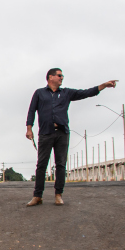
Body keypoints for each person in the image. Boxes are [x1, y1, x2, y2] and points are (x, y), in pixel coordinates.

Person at [26, 69, 118, 206]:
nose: (62, 77)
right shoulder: (39, 93)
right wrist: (29, 129)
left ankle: (58, 195)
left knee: (61, 165)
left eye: (62, 75)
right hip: (46, 133)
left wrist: (103, 85)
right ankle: (37, 196)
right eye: (59, 75)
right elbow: (32, 110)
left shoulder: (66, 93)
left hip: (62, 133)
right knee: (41, 165)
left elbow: (86, 92)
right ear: (50, 77)